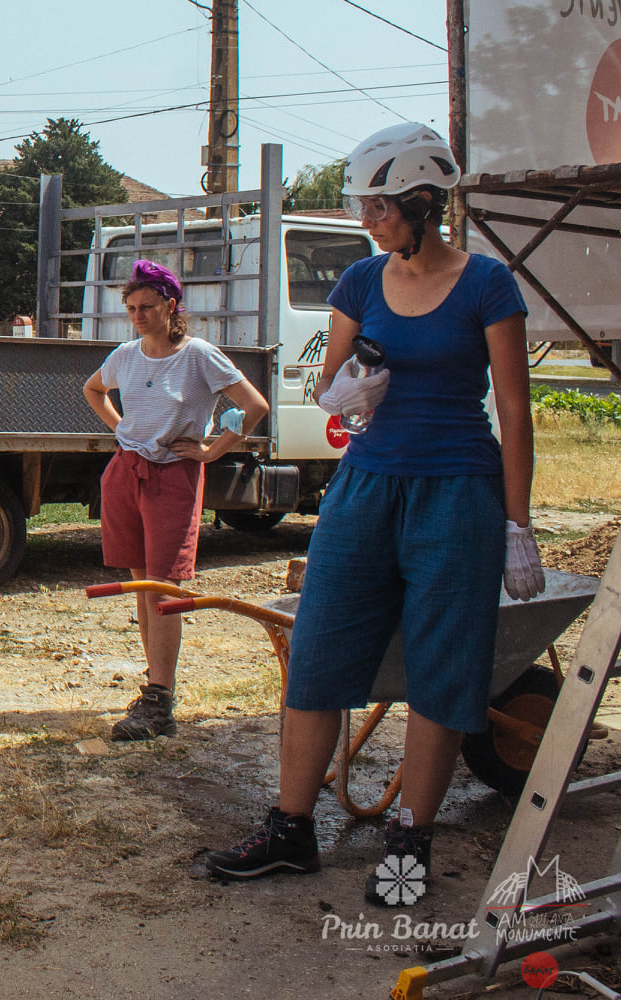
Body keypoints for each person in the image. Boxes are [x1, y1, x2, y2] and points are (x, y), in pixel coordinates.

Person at [207, 123, 535, 907]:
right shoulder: (359, 281)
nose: (366, 219)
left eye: (379, 206)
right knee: (318, 651)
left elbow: (516, 414)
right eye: (364, 205)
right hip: (366, 487)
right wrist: (350, 393)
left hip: (458, 491)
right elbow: (329, 387)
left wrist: (516, 524)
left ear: (425, 202)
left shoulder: (489, 285)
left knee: (444, 668)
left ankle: (408, 842)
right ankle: (291, 830)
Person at [81, 258, 269, 740]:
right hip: (127, 471)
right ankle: (154, 690)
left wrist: (211, 450)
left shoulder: (198, 354)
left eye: (147, 306)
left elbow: (254, 407)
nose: (138, 315)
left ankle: (160, 702)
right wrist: (119, 426)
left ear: (171, 305)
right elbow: (94, 389)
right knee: (141, 584)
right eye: (131, 308)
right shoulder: (126, 354)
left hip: (174, 474)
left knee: (165, 588)